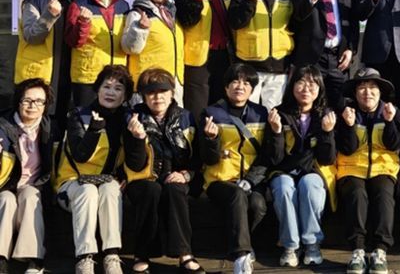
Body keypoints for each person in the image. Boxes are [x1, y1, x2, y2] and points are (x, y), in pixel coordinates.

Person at [123, 68, 204, 274]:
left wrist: (186, 174)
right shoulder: (133, 117)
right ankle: (142, 254)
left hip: (177, 175)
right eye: (151, 92)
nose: (157, 97)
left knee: (175, 189)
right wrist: (138, 139)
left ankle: (185, 254)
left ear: (172, 93)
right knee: (151, 190)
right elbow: (134, 164)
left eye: (162, 91)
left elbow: (197, 157)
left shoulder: (186, 117)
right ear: (143, 96)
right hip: (142, 177)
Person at [53, 65, 133, 274]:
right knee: (88, 191)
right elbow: (80, 155)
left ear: (125, 96)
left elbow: (131, 156)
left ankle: (111, 255)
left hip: (106, 180)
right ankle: (85, 257)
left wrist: (124, 175)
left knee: (111, 188)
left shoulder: (128, 118)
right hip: (73, 181)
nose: (110, 92)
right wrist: (94, 130)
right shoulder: (79, 115)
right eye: (106, 86)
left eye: (118, 88)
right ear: (97, 90)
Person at [199, 63, 270, 274]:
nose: (240, 86)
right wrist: (211, 140)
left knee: (258, 204)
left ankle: (244, 245)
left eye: (246, 83)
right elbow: (207, 158)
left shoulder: (261, 113)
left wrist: (251, 179)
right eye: (235, 82)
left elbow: (267, 155)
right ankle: (241, 256)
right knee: (237, 195)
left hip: (251, 178)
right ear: (226, 87)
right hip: (219, 179)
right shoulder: (211, 113)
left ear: (252, 89)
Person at [266, 65, 337, 267]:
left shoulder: (326, 114)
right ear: (292, 86)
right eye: (301, 82)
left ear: (320, 88)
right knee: (283, 187)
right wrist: (276, 132)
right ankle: (290, 245)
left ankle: (312, 243)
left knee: (310, 185)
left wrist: (327, 133)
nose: (306, 88)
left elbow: (327, 159)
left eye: (312, 84)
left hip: (314, 169)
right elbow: (274, 159)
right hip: (284, 170)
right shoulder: (279, 113)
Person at [336, 68, 400, 274]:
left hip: (383, 167)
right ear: (355, 93)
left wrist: (390, 122)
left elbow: (395, 145)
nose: (368, 92)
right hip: (351, 167)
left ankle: (380, 250)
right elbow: (347, 148)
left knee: (383, 194)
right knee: (357, 193)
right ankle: (357, 250)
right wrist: (349, 126)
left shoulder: (392, 111)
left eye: (373, 87)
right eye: (362, 88)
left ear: (380, 91)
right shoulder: (346, 112)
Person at [291, 0, 359, 112]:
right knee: (311, 107)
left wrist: (351, 49)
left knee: (340, 105)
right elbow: (297, 17)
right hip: (313, 59)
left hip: (339, 58)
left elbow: (353, 21)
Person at [14, 0, 80, 132]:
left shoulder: (77, 1)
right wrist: (49, 15)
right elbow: (31, 36)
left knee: (66, 123)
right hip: (42, 74)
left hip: (70, 72)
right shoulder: (33, 2)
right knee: (41, 126)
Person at [229, 0, 294, 110]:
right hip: (249, 68)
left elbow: (295, 26)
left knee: (273, 115)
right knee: (248, 114)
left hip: (279, 69)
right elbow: (235, 23)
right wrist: (249, 2)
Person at [0, 78, 54, 274]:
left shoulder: (50, 128)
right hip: (6, 184)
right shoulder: (3, 125)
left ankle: (34, 258)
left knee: (31, 196)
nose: (32, 106)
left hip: (34, 184)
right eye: (27, 100)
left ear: (45, 105)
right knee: (6, 200)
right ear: (18, 102)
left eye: (39, 101)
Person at [175, 0, 235, 119]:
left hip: (224, 56)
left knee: (221, 107)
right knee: (197, 108)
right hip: (197, 57)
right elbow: (187, 21)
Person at [64, 0, 129, 108]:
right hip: (88, 78)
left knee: (115, 121)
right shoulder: (78, 5)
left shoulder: (124, 6)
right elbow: (73, 42)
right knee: (87, 120)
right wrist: (83, 23)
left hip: (117, 77)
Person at [122, 0, 185, 105]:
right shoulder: (137, 13)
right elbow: (129, 48)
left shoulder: (172, 12)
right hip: (148, 85)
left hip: (172, 83)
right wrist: (140, 29)